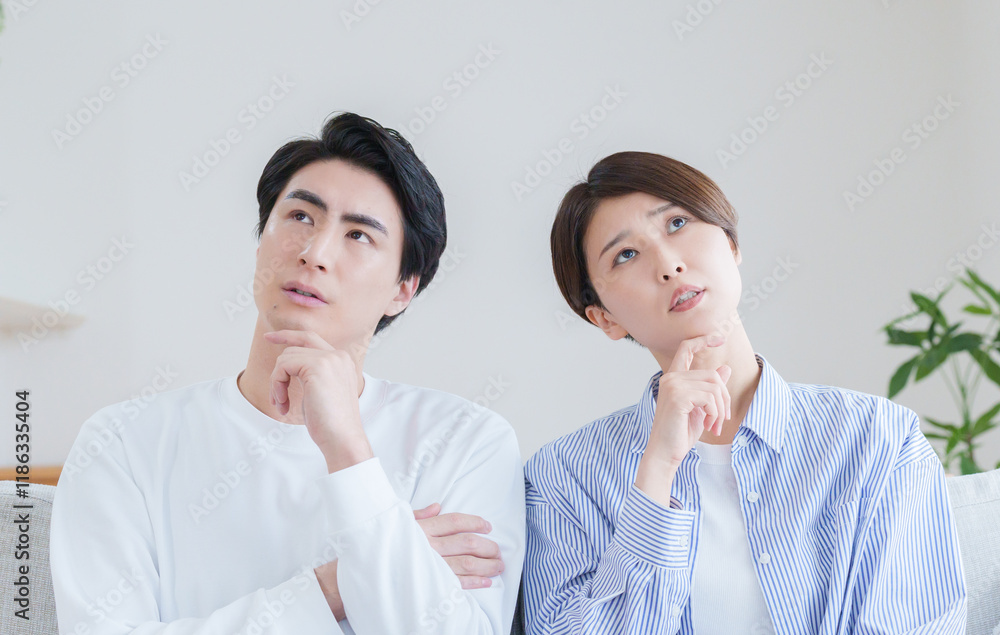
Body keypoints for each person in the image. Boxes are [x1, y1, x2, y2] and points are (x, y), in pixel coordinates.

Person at [50, 112, 525, 635]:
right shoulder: (122, 441)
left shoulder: (465, 440)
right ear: (261, 240)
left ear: (402, 289)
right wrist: (340, 586)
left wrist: (349, 451)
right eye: (301, 216)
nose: (315, 253)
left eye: (359, 235)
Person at [521, 151, 966, 634]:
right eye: (625, 255)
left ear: (730, 243)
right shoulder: (563, 477)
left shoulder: (878, 439)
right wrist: (657, 471)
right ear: (605, 318)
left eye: (676, 223)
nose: (668, 265)